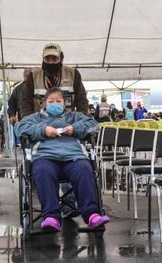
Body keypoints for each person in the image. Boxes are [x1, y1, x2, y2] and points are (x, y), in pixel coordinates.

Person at [16, 87, 109, 232]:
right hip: (45, 157)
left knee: (85, 169)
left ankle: (92, 214)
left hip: (73, 157)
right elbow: (20, 128)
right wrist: (43, 130)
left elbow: (94, 125)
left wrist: (74, 129)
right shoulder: (36, 118)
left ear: (64, 103)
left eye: (58, 101)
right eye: (51, 101)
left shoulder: (74, 117)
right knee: (42, 171)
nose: (54, 103)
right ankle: (51, 217)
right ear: (44, 103)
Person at [19, 43, 88, 118]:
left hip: (68, 124)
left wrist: (79, 121)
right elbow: (25, 102)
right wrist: (30, 123)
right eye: (47, 59)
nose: (50, 62)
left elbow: (82, 101)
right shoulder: (33, 76)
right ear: (43, 59)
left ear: (61, 59)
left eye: (54, 59)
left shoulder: (73, 74)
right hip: (40, 125)